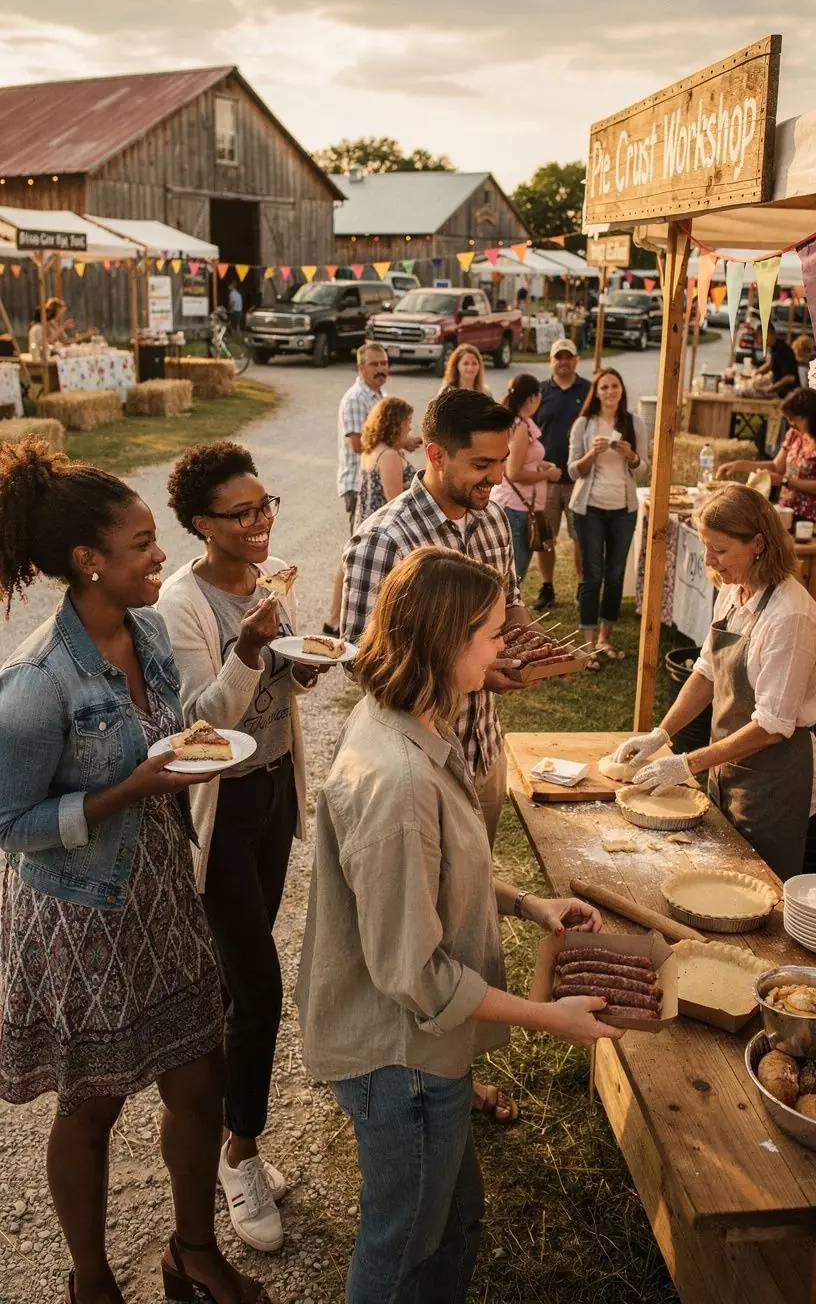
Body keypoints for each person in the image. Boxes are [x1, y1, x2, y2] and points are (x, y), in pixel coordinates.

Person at [297, 546, 618, 1304]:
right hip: (402, 1062)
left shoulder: (404, 720)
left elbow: (435, 879)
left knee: (453, 1217)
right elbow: (417, 976)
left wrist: (525, 903)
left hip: (421, 1056)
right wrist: (547, 1018)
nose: (505, 644)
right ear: (445, 641)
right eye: (491, 631)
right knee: (402, 1246)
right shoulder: (399, 783)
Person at [0, 440, 271, 1304]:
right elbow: (11, 827)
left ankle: (191, 1252)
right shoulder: (36, 684)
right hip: (82, 918)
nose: (162, 557)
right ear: (88, 562)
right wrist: (127, 789)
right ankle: (91, 1281)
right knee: (93, 1109)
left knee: (200, 1082)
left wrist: (202, 729)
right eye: (145, 544)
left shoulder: (149, 629)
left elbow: (183, 723)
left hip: (162, 893)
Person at [160, 442, 318, 1254]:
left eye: (265, 507)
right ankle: (239, 1154)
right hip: (220, 812)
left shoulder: (275, 578)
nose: (260, 523)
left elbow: (283, 686)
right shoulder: (178, 603)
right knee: (258, 989)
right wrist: (252, 649)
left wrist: (298, 663)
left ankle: (232, 1128)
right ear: (201, 525)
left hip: (274, 794)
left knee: (238, 981)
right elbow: (198, 723)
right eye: (242, 513)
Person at [342, 387, 532, 852]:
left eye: (502, 460)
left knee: (471, 895)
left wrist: (532, 648)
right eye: (482, 465)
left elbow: (512, 605)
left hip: (483, 748)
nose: (497, 476)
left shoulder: (493, 520)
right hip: (415, 765)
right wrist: (477, 674)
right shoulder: (384, 540)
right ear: (435, 455)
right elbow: (359, 661)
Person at [614, 484, 816, 881]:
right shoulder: (732, 591)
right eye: (707, 547)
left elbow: (772, 727)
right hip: (727, 764)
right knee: (720, 872)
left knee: (759, 886)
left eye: (720, 551)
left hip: (775, 778)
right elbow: (706, 672)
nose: (710, 561)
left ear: (758, 543)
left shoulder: (791, 616)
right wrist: (661, 733)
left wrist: (689, 762)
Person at [567, 368, 649, 664]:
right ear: (597, 392)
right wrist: (590, 455)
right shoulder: (584, 424)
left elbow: (643, 469)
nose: (610, 391)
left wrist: (631, 456)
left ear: (621, 390)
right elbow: (573, 470)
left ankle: (605, 637)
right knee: (593, 574)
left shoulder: (634, 423)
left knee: (614, 576)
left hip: (623, 510)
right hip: (589, 508)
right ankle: (589, 645)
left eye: (615, 386)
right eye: (604, 387)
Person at [323, 343, 390, 636]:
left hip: (371, 481)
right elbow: (356, 444)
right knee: (354, 551)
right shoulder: (355, 398)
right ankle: (335, 620)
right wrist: (396, 443)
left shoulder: (379, 395)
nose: (381, 369)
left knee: (356, 548)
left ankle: (336, 618)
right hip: (357, 484)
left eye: (384, 363)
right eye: (374, 365)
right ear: (360, 369)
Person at [530, 340, 590, 610]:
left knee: (580, 538)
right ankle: (547, 586)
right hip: (546, 481)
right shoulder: (540, 392)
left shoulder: (588, 391)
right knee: (546, 538)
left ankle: (581, 588)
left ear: (577, 359)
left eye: (568, 357)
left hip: (581, 479)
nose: (563, 361)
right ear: (550, 361)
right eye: (558, 357)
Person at [491, 373, 561, 583]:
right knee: (515, 573)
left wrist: (540, 465)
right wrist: (547, 474)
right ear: (533, 398)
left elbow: (522, 460)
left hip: (521, 506)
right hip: (516, 507)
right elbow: (514, 472)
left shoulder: (520, 422)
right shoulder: (519, 427)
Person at [718, 387, 816, 525]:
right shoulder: (795, 435)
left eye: (795, 419)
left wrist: (786, 481)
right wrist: (740, 465)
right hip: (786, 511)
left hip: (810, 518)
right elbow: (776, 466)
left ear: (810, 416)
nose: (791, 423)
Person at [355, 397, 416, 528]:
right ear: (396, 425)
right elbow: (396, 504)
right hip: (383, 529)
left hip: (366, 525)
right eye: (407, 422)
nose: (410, 428)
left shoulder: (371, 449)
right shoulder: (389, 456)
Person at [753, 324, 800, 397]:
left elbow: (790, 377)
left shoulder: (783, 350)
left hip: (788, 395)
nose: (756, 339)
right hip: (779, 391)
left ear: (768, 334)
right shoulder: (774, 347)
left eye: (758, 335)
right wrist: (755, 373)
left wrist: (771, 388)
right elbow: (769, 364)